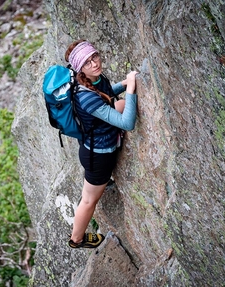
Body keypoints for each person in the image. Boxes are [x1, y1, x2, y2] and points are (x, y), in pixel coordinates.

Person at [65, 40, 138, 248]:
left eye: (94, 56)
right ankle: (77, 240)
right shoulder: (86, 98)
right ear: (80, 70)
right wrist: (131, 87)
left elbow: (106, 95)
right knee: (88, 201)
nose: (94, 63)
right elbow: (128, 123)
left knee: (122, 103)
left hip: (94, 146)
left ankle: (101, 184)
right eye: (87, 62)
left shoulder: (95, 79)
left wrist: (122, 85)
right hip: (98, 156)